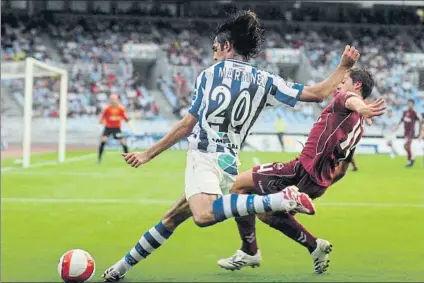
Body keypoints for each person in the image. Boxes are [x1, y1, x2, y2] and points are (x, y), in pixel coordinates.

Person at [102, 10, 360, 281]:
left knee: (202, 215)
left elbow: (187, 124)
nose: (213, 54)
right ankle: (120, 269)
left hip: (204, 155)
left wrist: (147, 153)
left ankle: (278, 199)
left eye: (215, 48)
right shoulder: (266, 80)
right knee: (172, 217)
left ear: (227, 46)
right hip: (228, 163)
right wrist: (342, 67)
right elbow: (317, 93)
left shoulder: (209, 75)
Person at [217, 68, 385, 274]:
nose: (339, 85)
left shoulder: (346, 100)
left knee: (238, 186)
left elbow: (351, 100)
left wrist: (363, 108)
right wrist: (314, 187)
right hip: (318, 182)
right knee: (268, 214)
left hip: (299, 170)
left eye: (344, 81)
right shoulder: (359, 128)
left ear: (357, 85)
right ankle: (315, 246)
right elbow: (341, 171)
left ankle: (249, 251)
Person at [98, 94, 130, 164]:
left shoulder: (121, 108)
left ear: (117, 100)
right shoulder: (107, 108)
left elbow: (126, 118)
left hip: (117, 128)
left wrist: (127, 119)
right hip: (108, 128)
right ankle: (99, 159)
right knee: (103, 140)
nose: (113, 100)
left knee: (123, 142)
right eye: (112, 99)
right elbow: (102, 116)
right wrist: (100, 121)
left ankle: (128, 159)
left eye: (114, 99)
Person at [395, 99, 423, 167]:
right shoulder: (405, 112)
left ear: (413, 105)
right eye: (409, 103)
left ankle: (411, 159)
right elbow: (401, 120)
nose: (409, 104)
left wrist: (420, 132)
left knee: (405, 146)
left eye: (411, 103)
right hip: (406, 132)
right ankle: (411, 159)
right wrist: (397, 126)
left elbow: (420, 120)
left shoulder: (414, 113)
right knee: (407, 147)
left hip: (411, 132)